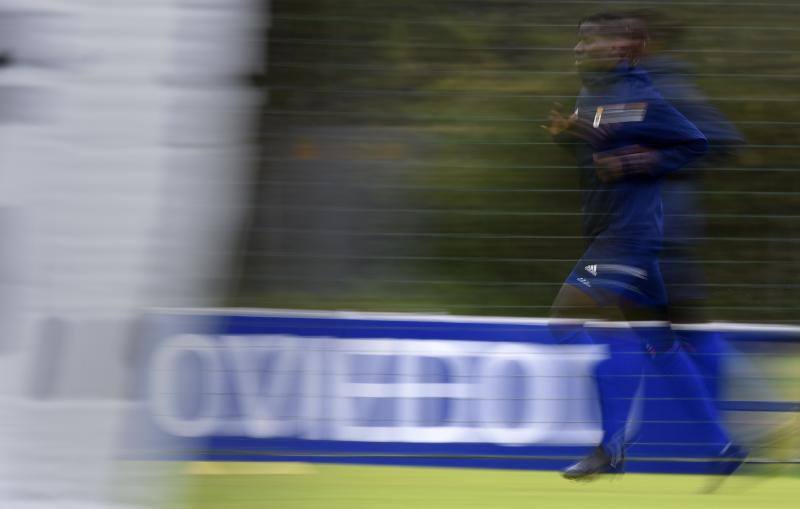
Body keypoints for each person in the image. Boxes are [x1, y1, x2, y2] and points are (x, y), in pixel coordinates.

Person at [544, 12, 744, 480]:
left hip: (626, 237)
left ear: (619, 48)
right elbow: (600, 145)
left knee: (565, 317)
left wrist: (642, 160)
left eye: (588, 40)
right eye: (578, 39)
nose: (578, 48)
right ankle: (722, 446)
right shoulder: (594, 95)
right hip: (615, 235)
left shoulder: (643, 95)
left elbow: (694, 143)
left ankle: (610, 445)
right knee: (657, 343)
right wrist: (570, 136)